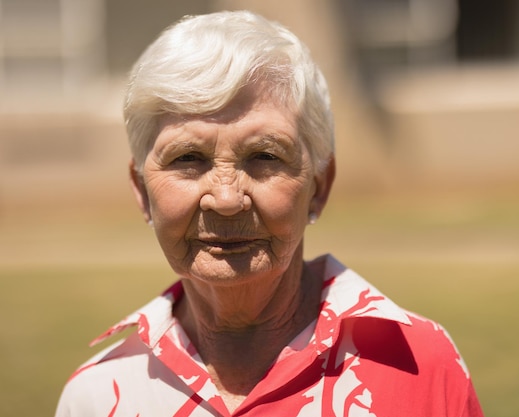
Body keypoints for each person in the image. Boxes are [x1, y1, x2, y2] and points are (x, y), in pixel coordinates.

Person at [55, 10, 483, 417]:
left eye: (264, 156)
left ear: (319, 185)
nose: (225, 199)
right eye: (188, 158)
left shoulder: (418, 365)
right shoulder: (96, 395)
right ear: (142, 191)